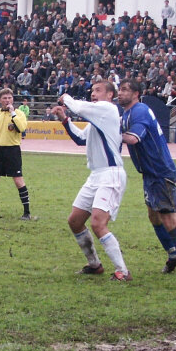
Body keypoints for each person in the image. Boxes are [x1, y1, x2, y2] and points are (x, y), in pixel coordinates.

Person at [119, 79, 176, 279]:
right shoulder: (128, 113)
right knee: (154, 216)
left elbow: (133, 138)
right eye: (119, 90)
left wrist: (110, 132)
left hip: (159, 172)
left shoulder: (139, 111)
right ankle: (174, 255)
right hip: (150, 173)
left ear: (136, 94)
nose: (120, 93)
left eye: (125, 90)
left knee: (169, 219)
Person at [51, 80, 131, 281]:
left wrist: (66, 98)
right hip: (96, 175)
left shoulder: (108, 110)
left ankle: (123, 271)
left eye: (98, 90)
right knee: (75, 221)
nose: (93, 94)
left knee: (98, 223)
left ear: (110, 95)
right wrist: (64, 119)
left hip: (111, 174)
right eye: (92, 90)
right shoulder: (98, 119)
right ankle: (95, 265)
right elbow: (80, 138)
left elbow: (78, 106)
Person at [0, 88, 34, 220]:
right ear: (0, 100)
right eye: (4, 98)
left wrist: (13, 114)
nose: (7, 100)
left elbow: (22, 128)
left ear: (13, 99)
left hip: (13, 150)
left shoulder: (19, 114)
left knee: (18, 180)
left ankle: (27, 212)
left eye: (9, 98)